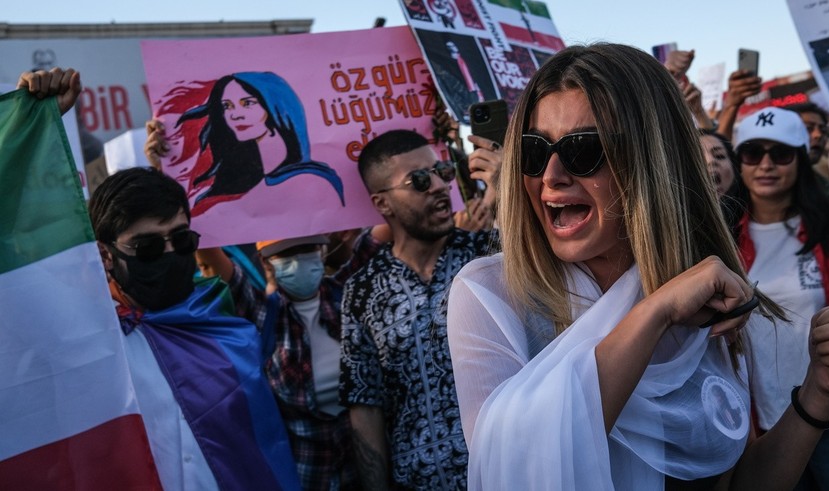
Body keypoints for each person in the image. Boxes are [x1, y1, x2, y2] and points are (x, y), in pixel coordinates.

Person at [445, 44, 829, 490]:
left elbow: (737, 481)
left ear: (652, 159)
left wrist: (819, 391)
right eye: (533, 151)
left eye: (583, 149)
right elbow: (513, 471)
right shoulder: (491, 294)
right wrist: (655, 314)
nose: (551, 174)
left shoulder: (706, 298)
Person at [19, 67, 301, 491]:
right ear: (105, 255)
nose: (170, 254)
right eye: (148, 247)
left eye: (181, 239)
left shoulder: (227, 320)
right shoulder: (78, 340)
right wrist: (32, 130)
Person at [340, 129, 499, 490]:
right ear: (383, 204)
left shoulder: (491, 257)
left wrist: (505, 190)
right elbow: (366, 406)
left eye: (442, 172)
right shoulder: (362, 291)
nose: (440, 186)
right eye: (420, 181)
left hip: (505, 473)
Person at [733, 106, 829, 489]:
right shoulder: (722, 238)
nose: (766, 164)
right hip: (764, 426)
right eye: (752, 152)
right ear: (739, 162)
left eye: (780, 153)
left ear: (800, 159)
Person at [193, 229, 384, 491]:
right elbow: (213, 254)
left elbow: (381, 232)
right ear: (265, 263)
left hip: (367, 468)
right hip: (306, 472)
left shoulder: (346, 293)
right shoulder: (263, 313)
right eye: (286, 255)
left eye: (307, 251)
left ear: (323, 251)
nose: (299, 261)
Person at [154, 72, 343, 215]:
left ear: (273, 106)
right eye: (227, 106)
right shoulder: (238, 182)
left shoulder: (311, 180)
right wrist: (161, 165)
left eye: (247, 103)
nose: (235, 114)